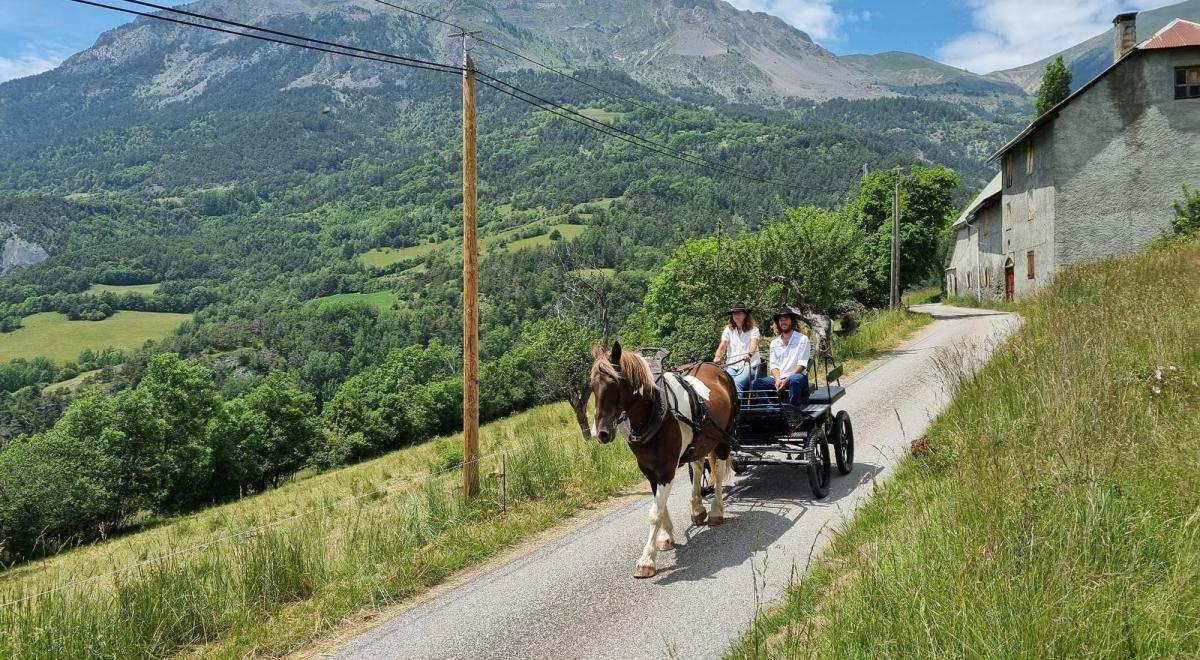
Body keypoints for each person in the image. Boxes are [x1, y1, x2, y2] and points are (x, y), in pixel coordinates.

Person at [751, 305, 810, 407]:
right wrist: (778, 380)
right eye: (781, 320)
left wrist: (786, 380)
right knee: (755, 383)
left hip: (797, 377)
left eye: (786, 319)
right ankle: (769, 409)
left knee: (794, 380)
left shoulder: (802, 339)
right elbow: (773, 366)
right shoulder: (774, 343)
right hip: (778, 378)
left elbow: (802, 365)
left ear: (792, 321)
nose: (783, 322)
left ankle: (793, 411)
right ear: (778, 323)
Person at [713, 301, 759, 393]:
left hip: (749, 366)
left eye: (739, 313)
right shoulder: (728, 330)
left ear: (745, 315)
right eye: (734, 313)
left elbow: (753, 346)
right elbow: (722, 346)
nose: (736, 316)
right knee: (723, 383)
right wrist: (717, 357)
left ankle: (739, 408)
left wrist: (749, 355)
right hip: (731, 366)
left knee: (736, 383)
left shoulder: (754, 330)